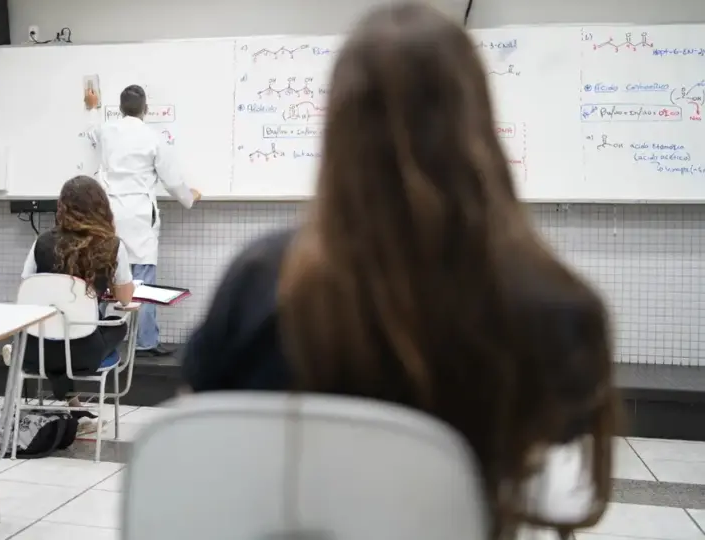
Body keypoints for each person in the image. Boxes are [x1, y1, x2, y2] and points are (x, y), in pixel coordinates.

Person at [180, 4, 618, 539]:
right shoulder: (557, 306)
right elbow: (557, 469)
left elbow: (197, 435)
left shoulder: (260, 281)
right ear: (476, 120)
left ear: (339, 127)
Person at [83, 84, 201, 357]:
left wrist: (91, 107)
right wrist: (189, 198)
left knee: (103, 275)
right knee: (143, 283)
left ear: (121, 108)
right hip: (138, 216)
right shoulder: (153, 138)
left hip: (109, 215)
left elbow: (90, 133)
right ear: (145, 109)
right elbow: (172, 181)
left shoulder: (106, 130)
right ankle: (146, 342)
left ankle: (91, 334)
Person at [12, 176, 134, 407]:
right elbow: (125, 299)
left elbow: (25, 291)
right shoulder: (112, 245)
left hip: (34, 351)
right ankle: (74, 404)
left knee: (60, 330)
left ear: (62, 207)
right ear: (102, 207)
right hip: (82, 356)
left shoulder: (41, 242)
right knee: (119, 324)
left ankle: (72, 402)